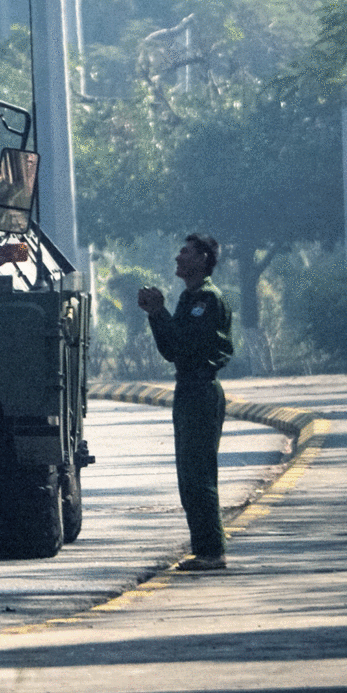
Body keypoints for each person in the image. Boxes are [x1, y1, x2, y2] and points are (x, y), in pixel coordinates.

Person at [138, 234, 234, 571]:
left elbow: (189, 346)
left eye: (186, 252)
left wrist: (161, 312)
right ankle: (204, 548)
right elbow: (171, 350)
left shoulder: (207, 300)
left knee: (199, 474)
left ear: (203, 259)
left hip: (202, 390)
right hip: (187, 389)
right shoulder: (188, 298)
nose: (179, 257)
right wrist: (155, 314)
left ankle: (212, 550)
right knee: (188, 475)